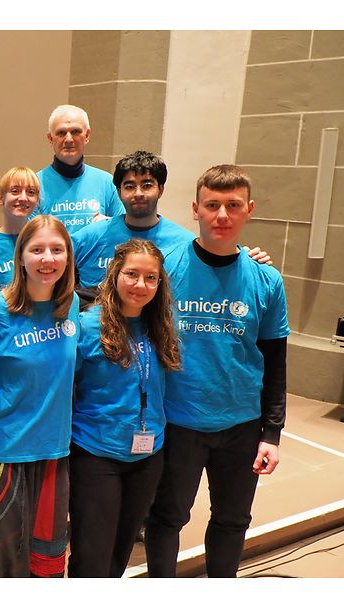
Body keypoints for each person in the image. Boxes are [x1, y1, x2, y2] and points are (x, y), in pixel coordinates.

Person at [145, 165, 289, 577]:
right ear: (195, 209)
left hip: (241, 426)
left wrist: (271, 433)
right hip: (178, 421)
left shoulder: (267, 279)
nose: (222, 215)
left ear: (249, 211)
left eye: (232, 205)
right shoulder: (166, 269)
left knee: (232, 520)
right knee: (167, 517)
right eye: (212, 205)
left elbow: (275, 361)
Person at [0, 215, 79, 578]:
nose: (47, 259)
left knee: (42, 565)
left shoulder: (71, 304)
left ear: (68, 258)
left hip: (54, 452)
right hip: (4, 452)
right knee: (1, 566)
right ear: (21, 257)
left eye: (57, 250)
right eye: (37, 250)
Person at [68, 239, 181, 578]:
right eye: (132, 274)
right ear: (115, 273)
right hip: (96, 455)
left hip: (147, 457)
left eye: (151, 278)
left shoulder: (160, 326)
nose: (141, 285)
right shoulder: (87, 327)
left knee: (120, 553)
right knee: (92, 556)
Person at [73, 151, 270, 308]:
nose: (138, 193)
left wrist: (244, 257)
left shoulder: (183, 242)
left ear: (161, 189)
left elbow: (218, 260)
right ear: (119, 192)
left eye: (147, 185)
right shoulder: (89, 237)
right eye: (130, 186)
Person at [32, 104, 122, 234]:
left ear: (87, 135)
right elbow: (25, 238)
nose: (68, 139)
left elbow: (123, 233)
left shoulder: (107, 183)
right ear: (50, 138)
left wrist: (110, 225)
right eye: (61, 133)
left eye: (75, 131)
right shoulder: (34, 185)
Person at [0, 166, 39, 294]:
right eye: (15, 191)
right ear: (0, 198)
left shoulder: (44, 240)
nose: (23, 198)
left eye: (31, 192)